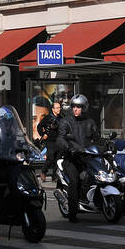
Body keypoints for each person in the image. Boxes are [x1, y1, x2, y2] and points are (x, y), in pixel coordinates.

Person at [56, 94, 98, 222]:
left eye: (79, 107)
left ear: (84, 107)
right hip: (71, 158)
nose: (75, 109)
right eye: (73, 106)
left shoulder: (90, 122)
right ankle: (73, 213)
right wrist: (68, 147)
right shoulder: (65, 122)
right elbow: (60, 138)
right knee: (74, 183)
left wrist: (107, 144)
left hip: (87, 157)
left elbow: (97, 138)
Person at [35, 100, 62, 183]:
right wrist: (43, 134)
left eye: (59, 108)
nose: (59, 109)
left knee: (58, 159)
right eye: (57, 108)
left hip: (59, 141)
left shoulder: (61, 118)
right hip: (50, 141)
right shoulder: (48, 117)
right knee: (50, 157)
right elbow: (39, 126)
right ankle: (43, 171)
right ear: (53, 109)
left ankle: (55, 176)